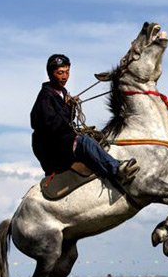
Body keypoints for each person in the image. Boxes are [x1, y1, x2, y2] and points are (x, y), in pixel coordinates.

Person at [30, 54, 139, 184]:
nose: (64, 77)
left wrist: (70, 107)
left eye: (67, 72)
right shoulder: (45, 97)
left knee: (97, 138)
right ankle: (116, 170)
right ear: (50, 74)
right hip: (53, 148)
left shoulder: (62, 92)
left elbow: (65, 119)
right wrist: (67, 107)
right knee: (84, 141)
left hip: (63, 141)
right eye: (60, 73)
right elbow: (52, 126)